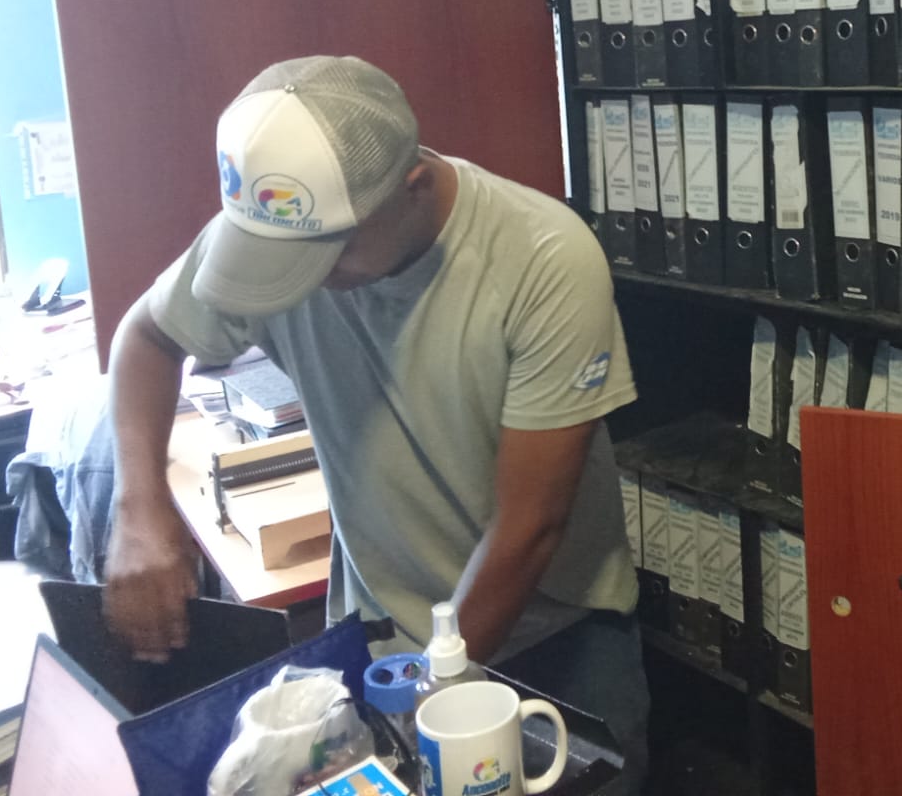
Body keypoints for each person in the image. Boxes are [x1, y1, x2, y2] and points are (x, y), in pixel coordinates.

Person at [103, 55, 648, 790]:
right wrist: (138, 508)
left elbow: (530, 526)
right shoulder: (277, 224)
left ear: (413, 186)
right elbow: (148, 336)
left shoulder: (544, 258)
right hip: (382, 632)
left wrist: (426, 703)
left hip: (552, 634)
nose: (300, 280)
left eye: (328, 254)